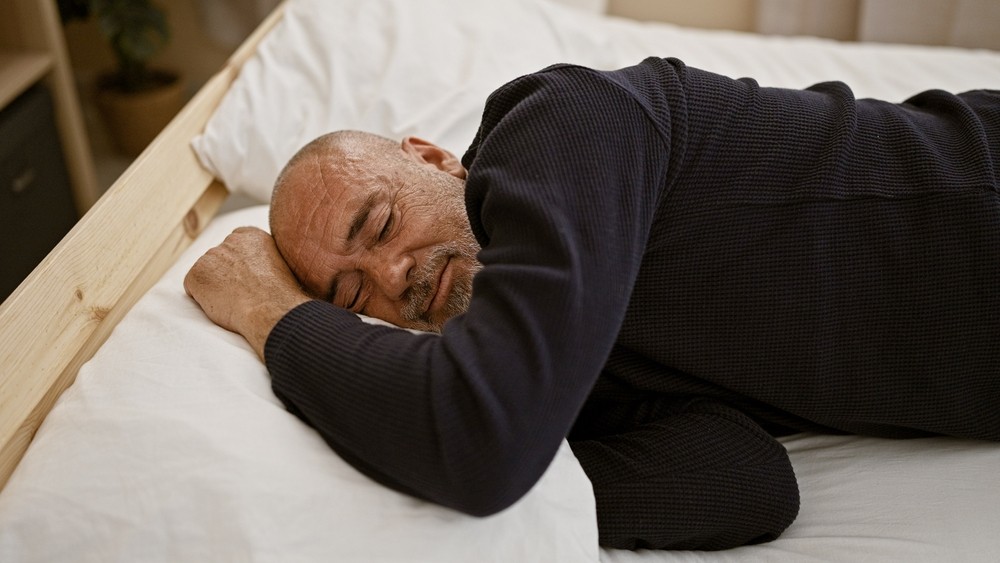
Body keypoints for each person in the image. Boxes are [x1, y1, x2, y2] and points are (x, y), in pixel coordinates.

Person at [184, 57, 1000, 550]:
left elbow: (479, 437)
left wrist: (275, 314)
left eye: (382, 222)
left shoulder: (559, 125)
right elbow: (744, 482)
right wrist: (523, 452)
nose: (393, 274)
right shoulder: (544, 357)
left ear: (432, 155)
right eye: (354, 295)